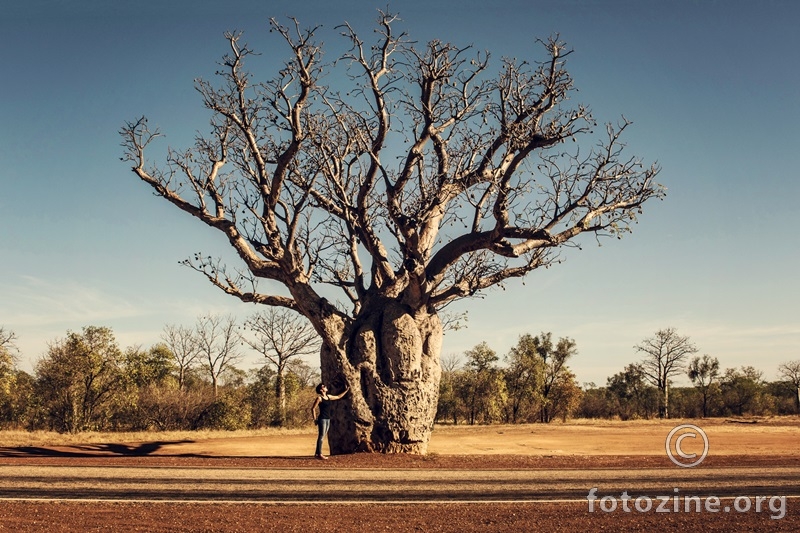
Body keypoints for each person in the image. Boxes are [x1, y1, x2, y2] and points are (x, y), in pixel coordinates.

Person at [311, 383, 349, 459]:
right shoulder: (319, 398)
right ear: (321, 390)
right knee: (321, 436)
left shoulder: (328, 397)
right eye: (324, 386)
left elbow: (338, 397)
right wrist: (315, 419)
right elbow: (313, 408)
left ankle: (317, 453)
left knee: (323, 436)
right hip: (322, 419)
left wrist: (346, 390)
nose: (326, 387)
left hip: (328, 419)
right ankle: (320, 454)